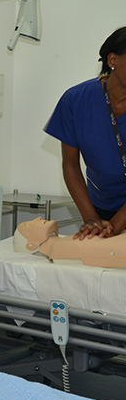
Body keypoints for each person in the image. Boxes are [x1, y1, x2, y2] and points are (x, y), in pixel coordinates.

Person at [45, 27, 126, 240]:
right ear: (113, 60)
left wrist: (115, 227)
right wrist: (91, 219)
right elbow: (70, 164)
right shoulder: (75, 101)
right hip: (101, 204)